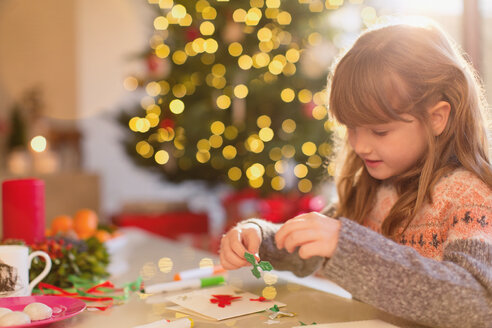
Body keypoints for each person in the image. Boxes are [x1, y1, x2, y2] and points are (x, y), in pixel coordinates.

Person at [219, 17, 492, 328]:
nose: (360, 145)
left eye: (379, 130)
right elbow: (310, 248)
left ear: (436, 118)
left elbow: (477, 305)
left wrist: (348, 245)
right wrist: (260, 237)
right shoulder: (377, 186)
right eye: (351, 128)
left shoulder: (471, 196)